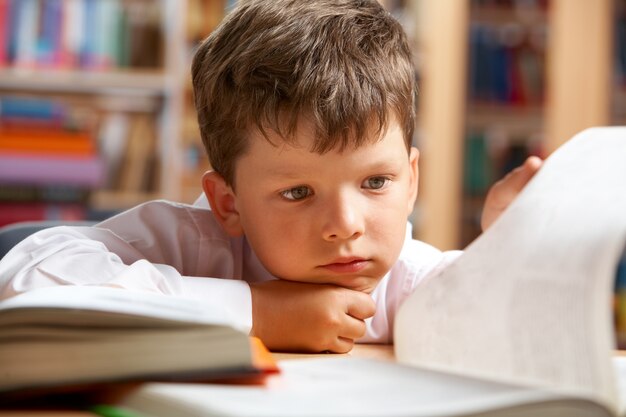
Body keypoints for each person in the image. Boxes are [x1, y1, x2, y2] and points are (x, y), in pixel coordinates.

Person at [0, 0, 541, 353]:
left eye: (376, 182)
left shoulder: (408, 279)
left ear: (412, 178)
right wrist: (258, 312)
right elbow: (28, 280)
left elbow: (507, 326)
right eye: (298, 192)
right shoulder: (186, 245)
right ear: (228, 203)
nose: (345, 224)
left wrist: (504, 252)